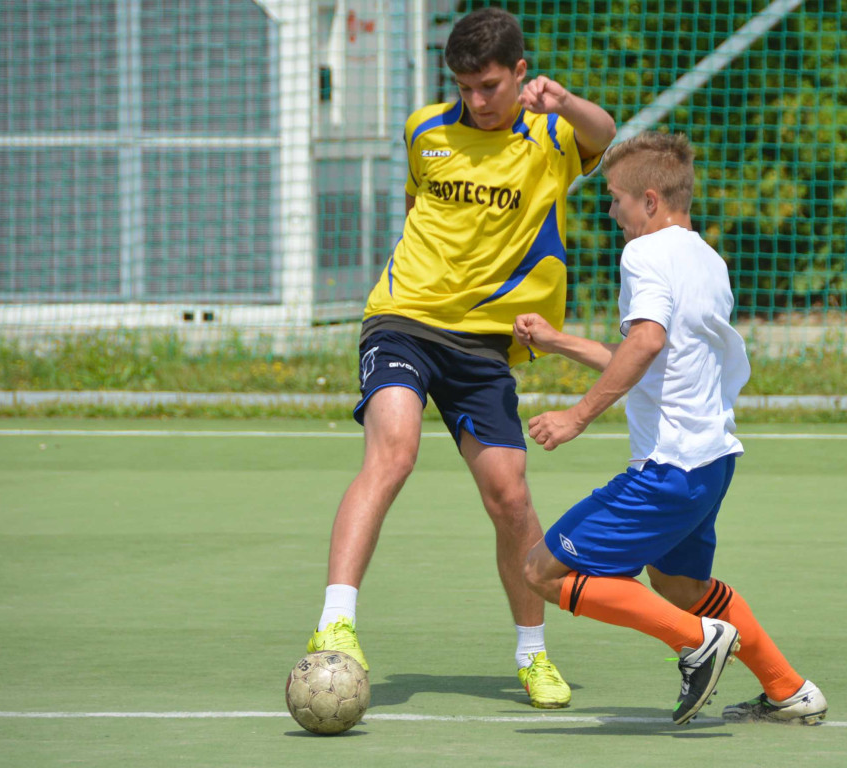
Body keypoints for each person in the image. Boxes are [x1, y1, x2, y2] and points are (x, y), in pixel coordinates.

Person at [306, 7, 616, 710]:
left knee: (510, 499)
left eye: (489, 86)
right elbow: (421, 208)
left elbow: (608, 134)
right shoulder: (425, 129)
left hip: (483, 344)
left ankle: (532, 655)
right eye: (465, 87)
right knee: (394, 451)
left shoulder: (552, 133)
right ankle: (335, 627)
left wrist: (563, 101)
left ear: (519, 73)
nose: (476, 100)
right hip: (403, 320)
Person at [514, 131, 827, 725]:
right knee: (680, 582)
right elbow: (651, 354)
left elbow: (648, 340)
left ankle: (693, 641)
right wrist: (557, 342)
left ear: (650, 201)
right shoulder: (708, 259)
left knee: (543, 571)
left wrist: (576, 416)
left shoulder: (643, 254)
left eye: (616, 201)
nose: (612, 213)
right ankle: (789, 688)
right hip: (711, 462)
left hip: (667, 470)